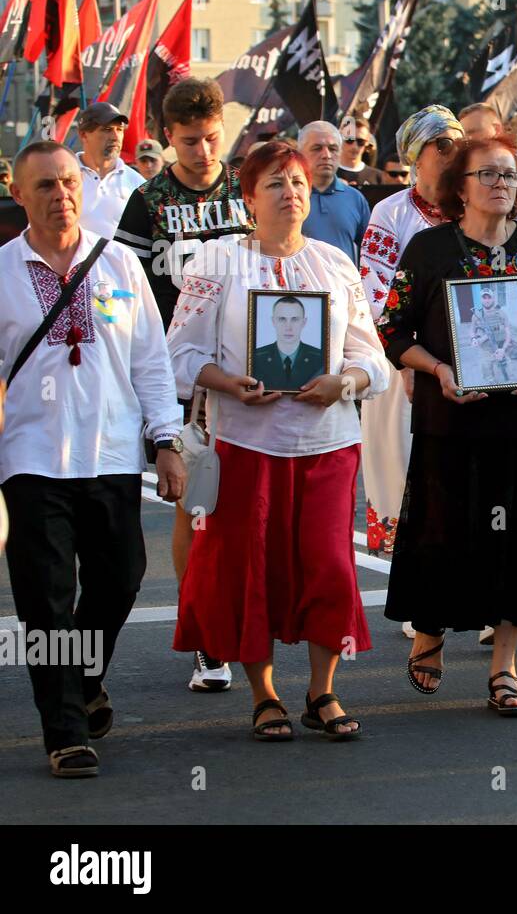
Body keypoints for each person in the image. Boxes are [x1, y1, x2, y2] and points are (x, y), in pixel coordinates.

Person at [168, 141, 389, 740]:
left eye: (297, 182)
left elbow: (374, 358)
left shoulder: (334, 264)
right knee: (250, 569)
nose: (291, 192)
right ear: (248, 197)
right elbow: (182, 353)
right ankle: (264, 695)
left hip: (328, 443)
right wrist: (230, 384)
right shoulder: (216, 262)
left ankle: (323, 692)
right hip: (245, 444)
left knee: (328, 567)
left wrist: (343, 381)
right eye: (275, 183)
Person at [0, 140, 184, 777]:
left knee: (121, 577)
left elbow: (151, 362)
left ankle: (80, 679)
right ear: (19, 193)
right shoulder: (2, 271)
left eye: (69, 181)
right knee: (46, 601)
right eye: (45, 185)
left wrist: (166, 440)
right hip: (30, 459)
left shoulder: (119, 267)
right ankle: (66, 732)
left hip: (109, 453)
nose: (61, 195)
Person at [381, 133, 517, 716]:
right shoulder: (429, 248)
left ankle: (505, 669)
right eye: (487, 175)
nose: (500, 185)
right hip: (449, 420)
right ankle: (430, 632)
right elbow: (393, 331)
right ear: (459, 188)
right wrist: (438, 369)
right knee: (443, 531)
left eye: (510, 176)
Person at [115, 76, 254, 693]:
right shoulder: (147, 200)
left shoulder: (248, 185)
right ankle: (202, 634)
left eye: (212, 138)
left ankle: (247, 624)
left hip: (252, 364)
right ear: (167, 137)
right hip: (183, 370)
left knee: (250, 502)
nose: (202, 151)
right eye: (190, 141)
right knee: (198, 503)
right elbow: (129, 292)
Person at [358, 105, 462, 566]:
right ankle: (419, 596)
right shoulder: (392, 212)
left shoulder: (476, 206)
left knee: (464, 477)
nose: (453, 151)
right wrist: (408, 357)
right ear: (417, 156)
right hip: (406, 360)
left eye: (458, 141)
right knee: (406, 472)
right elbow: (374, 286)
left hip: (470, 362)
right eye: (442, 144)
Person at [298, 121, 370, 262]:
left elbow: (369, 253)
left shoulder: (355, 198)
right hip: (297, 283)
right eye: (317, 148)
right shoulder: (289, 196)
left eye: (333, 148)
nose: (326, 155)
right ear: (300, 153)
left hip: (344, 283)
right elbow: (258, 242)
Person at [76, 102, 145, 237]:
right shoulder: (63, 178)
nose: (115, 137)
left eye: (119, 130)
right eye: (107, 129)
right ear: (84, 135)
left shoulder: (137, 184)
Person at [250, 296, 326, 389]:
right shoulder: (256, 357)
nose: (288, 327)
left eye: (295, 319)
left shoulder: (320, 358)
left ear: (304, 322)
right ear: (273, 321)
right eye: (282, 319)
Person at [336, 115, 382, 186]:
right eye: (349, 140)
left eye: (360, 141)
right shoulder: (326, 174)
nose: (354, 146)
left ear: (367, 142)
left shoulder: (378, 177)